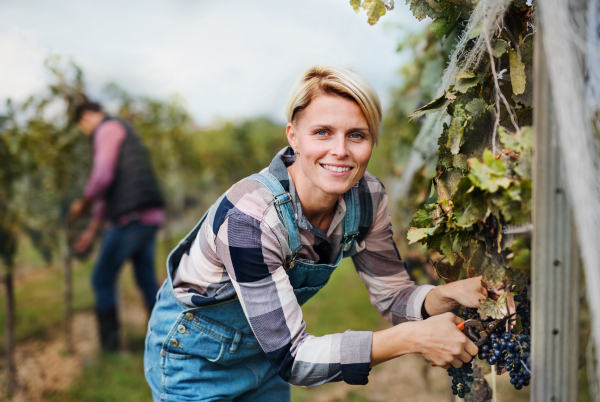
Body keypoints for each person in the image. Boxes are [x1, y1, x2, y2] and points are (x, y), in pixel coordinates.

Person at [144, 66, 487, 401]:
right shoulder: (250, 218)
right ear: (294, 136)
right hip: (196, 360)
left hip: (265, 355)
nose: (340, 150)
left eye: (357, 134)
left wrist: (448, 295)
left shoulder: (367, 198)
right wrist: (410, 338)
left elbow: (393, 296)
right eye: (322, 132)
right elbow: (293, 358)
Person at [69, 101, 165, 352]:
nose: (85, 132)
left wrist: (83, 204)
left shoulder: (106, 129)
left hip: (130, 220)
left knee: (101, 278)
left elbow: (102, 177)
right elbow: (110, 193)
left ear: (86, 116)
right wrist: (91, 232)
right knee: (145, 279)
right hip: (148, 217)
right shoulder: (123, 130)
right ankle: (163, 340)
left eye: (81, 127)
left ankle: (111, 351)